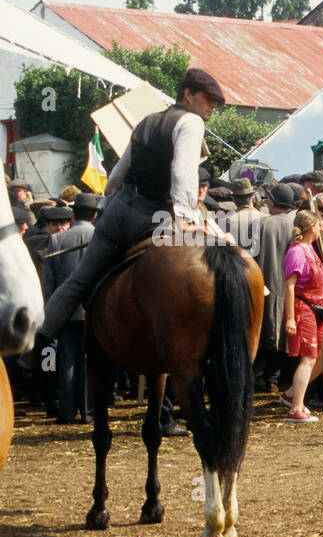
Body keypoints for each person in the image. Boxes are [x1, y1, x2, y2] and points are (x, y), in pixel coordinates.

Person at [24, 69, 226, 363]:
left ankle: (36, 346)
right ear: (188, 94)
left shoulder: (146, 121)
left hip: (117, 212)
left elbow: (117, 175)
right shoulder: (191, 122)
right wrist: (186, 221)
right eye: (208, 100)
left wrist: (111, 204)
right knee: (220, 255)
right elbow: (183, 173)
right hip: (153, 218)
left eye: (214, 104)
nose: (210, 108)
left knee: (79, 280)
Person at [42, 194, 100, 423]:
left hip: (64, 310)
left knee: (66, 361)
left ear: (73, 215)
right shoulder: (100, 238)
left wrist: (51, 310)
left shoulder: (56, 241)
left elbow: (49, 283)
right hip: (94, 309)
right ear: (94, 217)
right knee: (89, 359)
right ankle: (88, 412)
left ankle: (66, 412)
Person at [281, 210, 323, 423]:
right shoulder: (297, 252)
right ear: (312, 227)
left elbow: (317, 284)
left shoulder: (310, 248)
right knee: (309, 357)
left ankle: (292, 393)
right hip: (303, 308)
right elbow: (290, 286)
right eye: (320, 222)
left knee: (321, 356)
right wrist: (291, 318)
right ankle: (296, 408)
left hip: (317, 305)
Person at [250, 182, 298, 391]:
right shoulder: (295, 226)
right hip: (289, 286)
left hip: (263, 283)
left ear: (272, 201)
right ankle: (275, 378)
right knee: (282, 331)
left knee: (261, 330)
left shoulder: (261, 224)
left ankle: (261, 378)